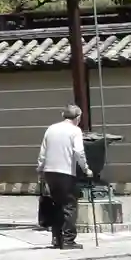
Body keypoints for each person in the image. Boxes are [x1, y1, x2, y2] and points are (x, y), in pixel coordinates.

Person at [37, 104, 94, 250]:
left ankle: (57, 239)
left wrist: (40, 168)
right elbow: (79, 152)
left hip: (50, 171)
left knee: (56, 204)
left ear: (63, 115)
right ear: (78, 117)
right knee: (69, 205)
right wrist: (86, 169)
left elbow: (43, 152)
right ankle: (68, 239)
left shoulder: (51, 128)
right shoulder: (75, 130)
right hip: (65, 172)